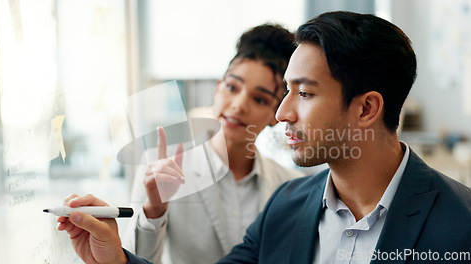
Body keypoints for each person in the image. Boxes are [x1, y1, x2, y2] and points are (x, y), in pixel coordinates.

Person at [59, 11, 471, 264]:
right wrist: (115, 259)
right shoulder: (287, 207)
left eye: (304, 94)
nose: (281, 113)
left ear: (366, 109)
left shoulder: (461, 223)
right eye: (286, 91)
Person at [121, 23, 301, 264]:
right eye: (231, 87)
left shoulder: (291, 187)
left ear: (275, 114)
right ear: (217, 90)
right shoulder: (159, 168)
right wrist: (154, 208)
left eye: (259, 98)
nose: (238, 104)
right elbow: (137, 260)